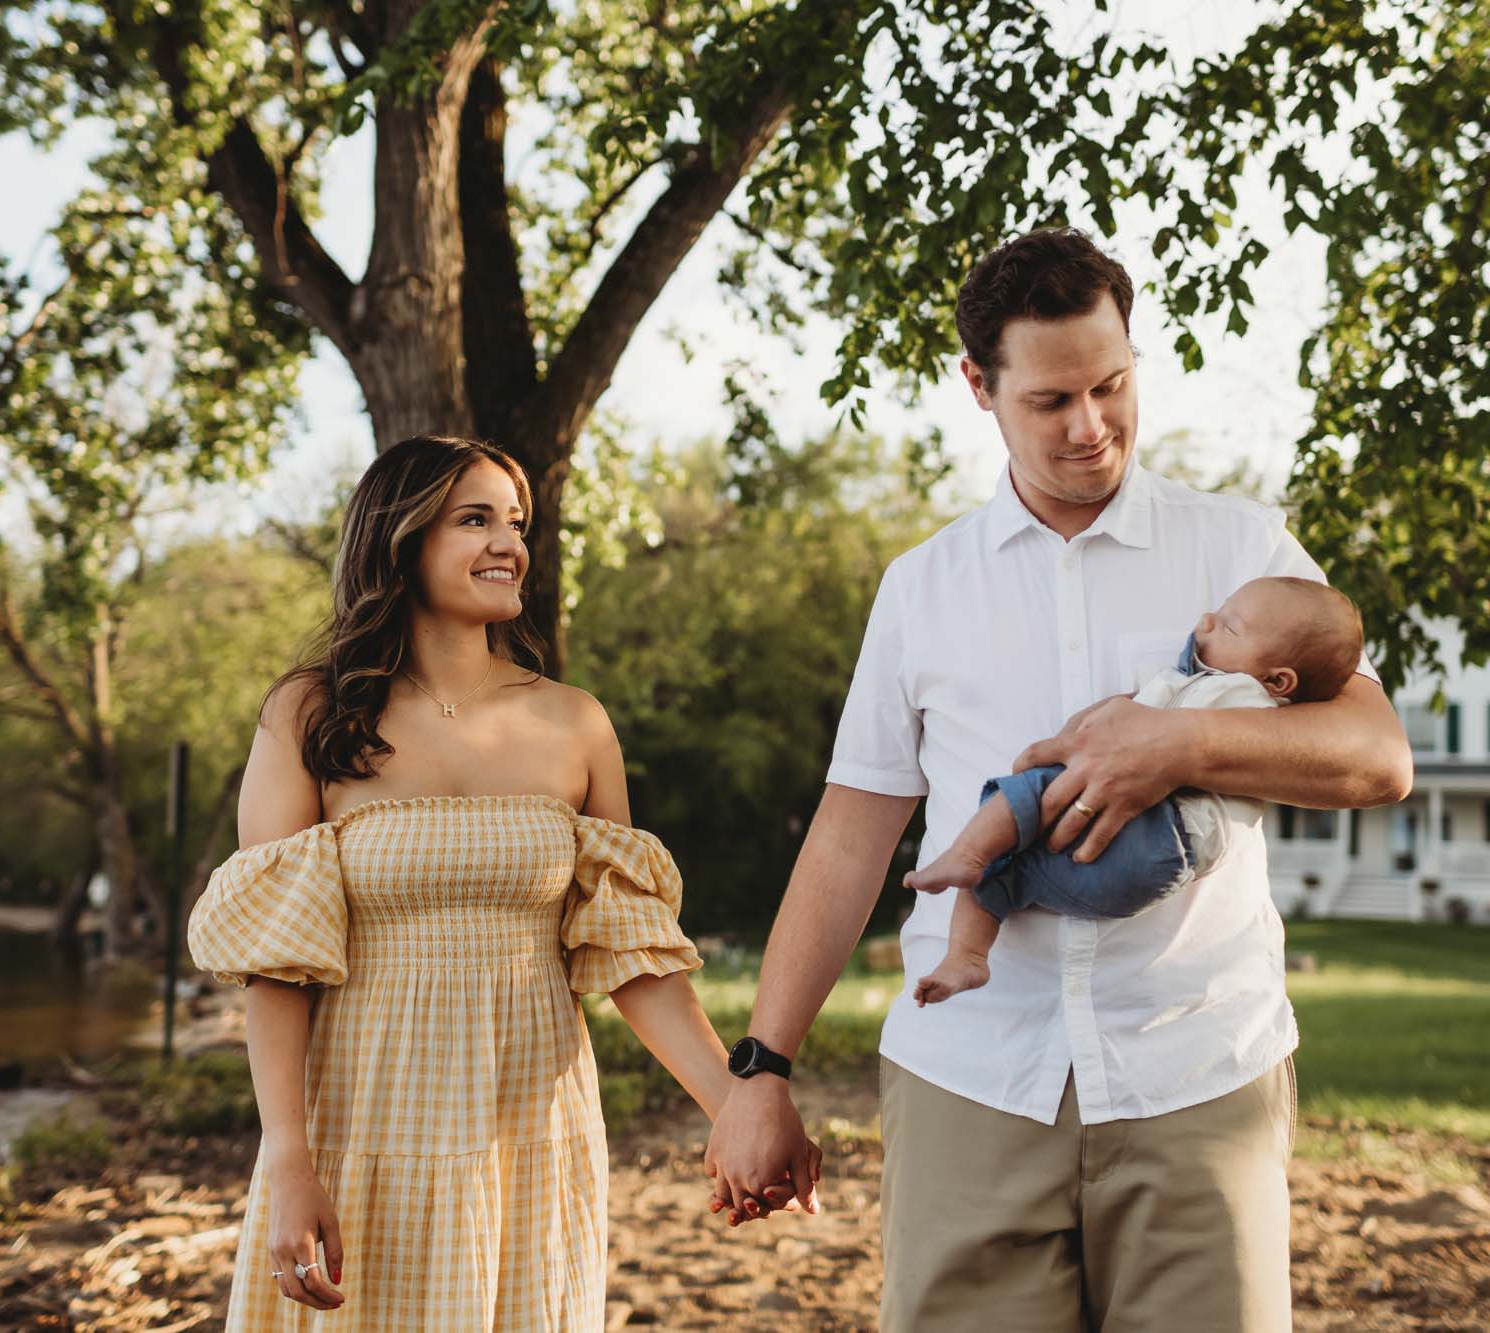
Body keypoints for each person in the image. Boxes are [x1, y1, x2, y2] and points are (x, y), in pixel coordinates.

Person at [701, 229, 1412, 1330]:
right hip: (970, 1078)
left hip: (1196, 1068)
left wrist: (1175, 745)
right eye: (1048, 401)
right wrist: (761, 1066)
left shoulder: (1240, 551)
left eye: (1110, 385)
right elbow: (849, 835)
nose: (1089, 426)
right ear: (977, 386)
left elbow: (1376, 758)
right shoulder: (920, 588)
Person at [187, 435, 817, 1330]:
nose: (508, 544)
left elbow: (633, 958)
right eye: (474, 519)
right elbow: (277, 966)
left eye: (515, 523)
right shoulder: (313, 713)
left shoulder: (574, 723)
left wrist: (740, 1107)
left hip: (529, 1126)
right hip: (363, 1121)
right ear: (399, 540)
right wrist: (289, 1157)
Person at [909, 576, 1364, 1005]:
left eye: (1229, 625)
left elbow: (1129, 729)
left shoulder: (1241, 696)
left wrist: (1089, 729)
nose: (1206, 622)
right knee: (1010, 866)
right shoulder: (1253, 711)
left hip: (1160, 827)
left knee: (1028, 792)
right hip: (1162, 865)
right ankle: (966, 957)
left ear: (1279, 680)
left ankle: (965, 855)